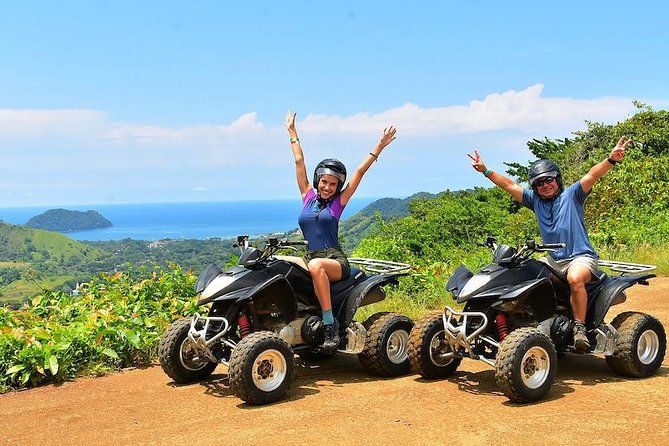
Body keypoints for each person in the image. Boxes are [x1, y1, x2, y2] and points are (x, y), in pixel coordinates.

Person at [467, 136, 632, 352]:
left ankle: (579, 329)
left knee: (574, 277)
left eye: (548, 180)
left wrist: (611, 159)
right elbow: (509, 185)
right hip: (554, 261)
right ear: (534, 187)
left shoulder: (573, 195)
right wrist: (486, 171)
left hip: (580, 258)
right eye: (539, 182)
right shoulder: (535, 201)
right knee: (526, 275)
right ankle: (535, 324)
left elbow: (593, 175)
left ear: (557, 179)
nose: (545, 185)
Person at [286, 111, 397, 350]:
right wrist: (292, 132)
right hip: (310, 257)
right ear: (317, 181)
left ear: (338, 187)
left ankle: (329, 324)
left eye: (333, 184)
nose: (327, 187)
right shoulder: (307, 196)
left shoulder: (339, 202)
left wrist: (380, 146)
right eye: (324, 182)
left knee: (316, 266)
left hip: (333, 260)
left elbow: (359, 172)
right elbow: (299, 162)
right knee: (280, 266)